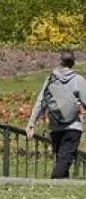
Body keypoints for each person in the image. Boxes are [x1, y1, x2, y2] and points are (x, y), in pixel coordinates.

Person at [26, 51, 86, 179]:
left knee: (61, 157)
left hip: (55, 126)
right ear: (73, 63)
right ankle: (55, 181)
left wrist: (31, 123)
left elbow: (41, 102)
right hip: (73, 127)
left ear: (60, 61)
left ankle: (63, 185)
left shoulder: (50, 79)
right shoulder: (78, 80)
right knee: (64, 160)